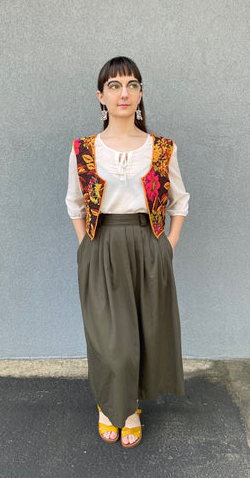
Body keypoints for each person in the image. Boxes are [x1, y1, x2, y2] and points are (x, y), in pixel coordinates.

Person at [65, 56, 190, 449]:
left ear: (140, 94)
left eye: (132, 85)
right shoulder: (83, 149)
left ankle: (129, 407)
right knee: (110, 340)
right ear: (101, 96)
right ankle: (110, 404)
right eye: (115, 85)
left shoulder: (161, 148)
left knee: (144, 335)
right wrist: (87, 246)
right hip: (101, 246)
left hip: (146, 245)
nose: (124, 92)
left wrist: (166, 247)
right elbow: (73, 203)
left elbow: (179, 202)